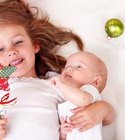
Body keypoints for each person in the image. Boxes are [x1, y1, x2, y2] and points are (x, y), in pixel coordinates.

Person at [0, 0, 114, 140]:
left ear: (35, 46)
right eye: (0, 49)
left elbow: (99, 107)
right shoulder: (1, 85)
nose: (11, 51)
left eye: (18, 42)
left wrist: (101, 110)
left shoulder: (56, 82)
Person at [51, 51, 108, 140]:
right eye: (66, 67)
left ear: (95, 82)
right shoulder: (65, 98)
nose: (68, 69)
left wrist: (61, 85)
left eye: (79, 66)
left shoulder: (90, 90)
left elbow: (83, 100)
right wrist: (63, 133)